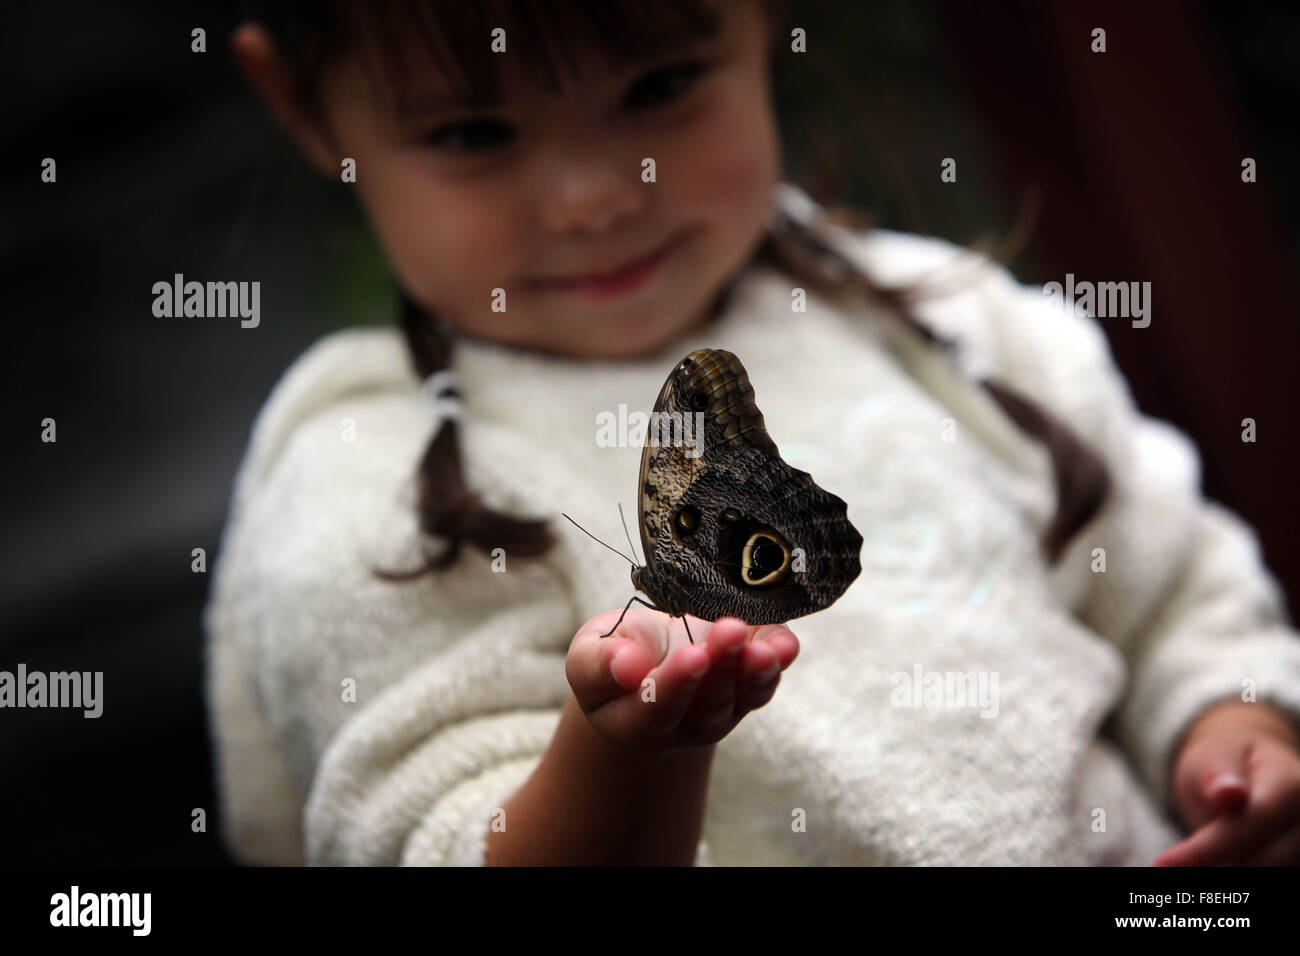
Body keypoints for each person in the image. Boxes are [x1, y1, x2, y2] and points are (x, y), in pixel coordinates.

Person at [204, 0, 1300, 865]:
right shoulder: (365, 477)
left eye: (660, 87)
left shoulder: (945, 321)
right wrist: (624, 753)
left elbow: (1176, 597)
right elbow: (429, 833)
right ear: (307, 109)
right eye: (473, 132)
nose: (592, 196)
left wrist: (1233, 727)